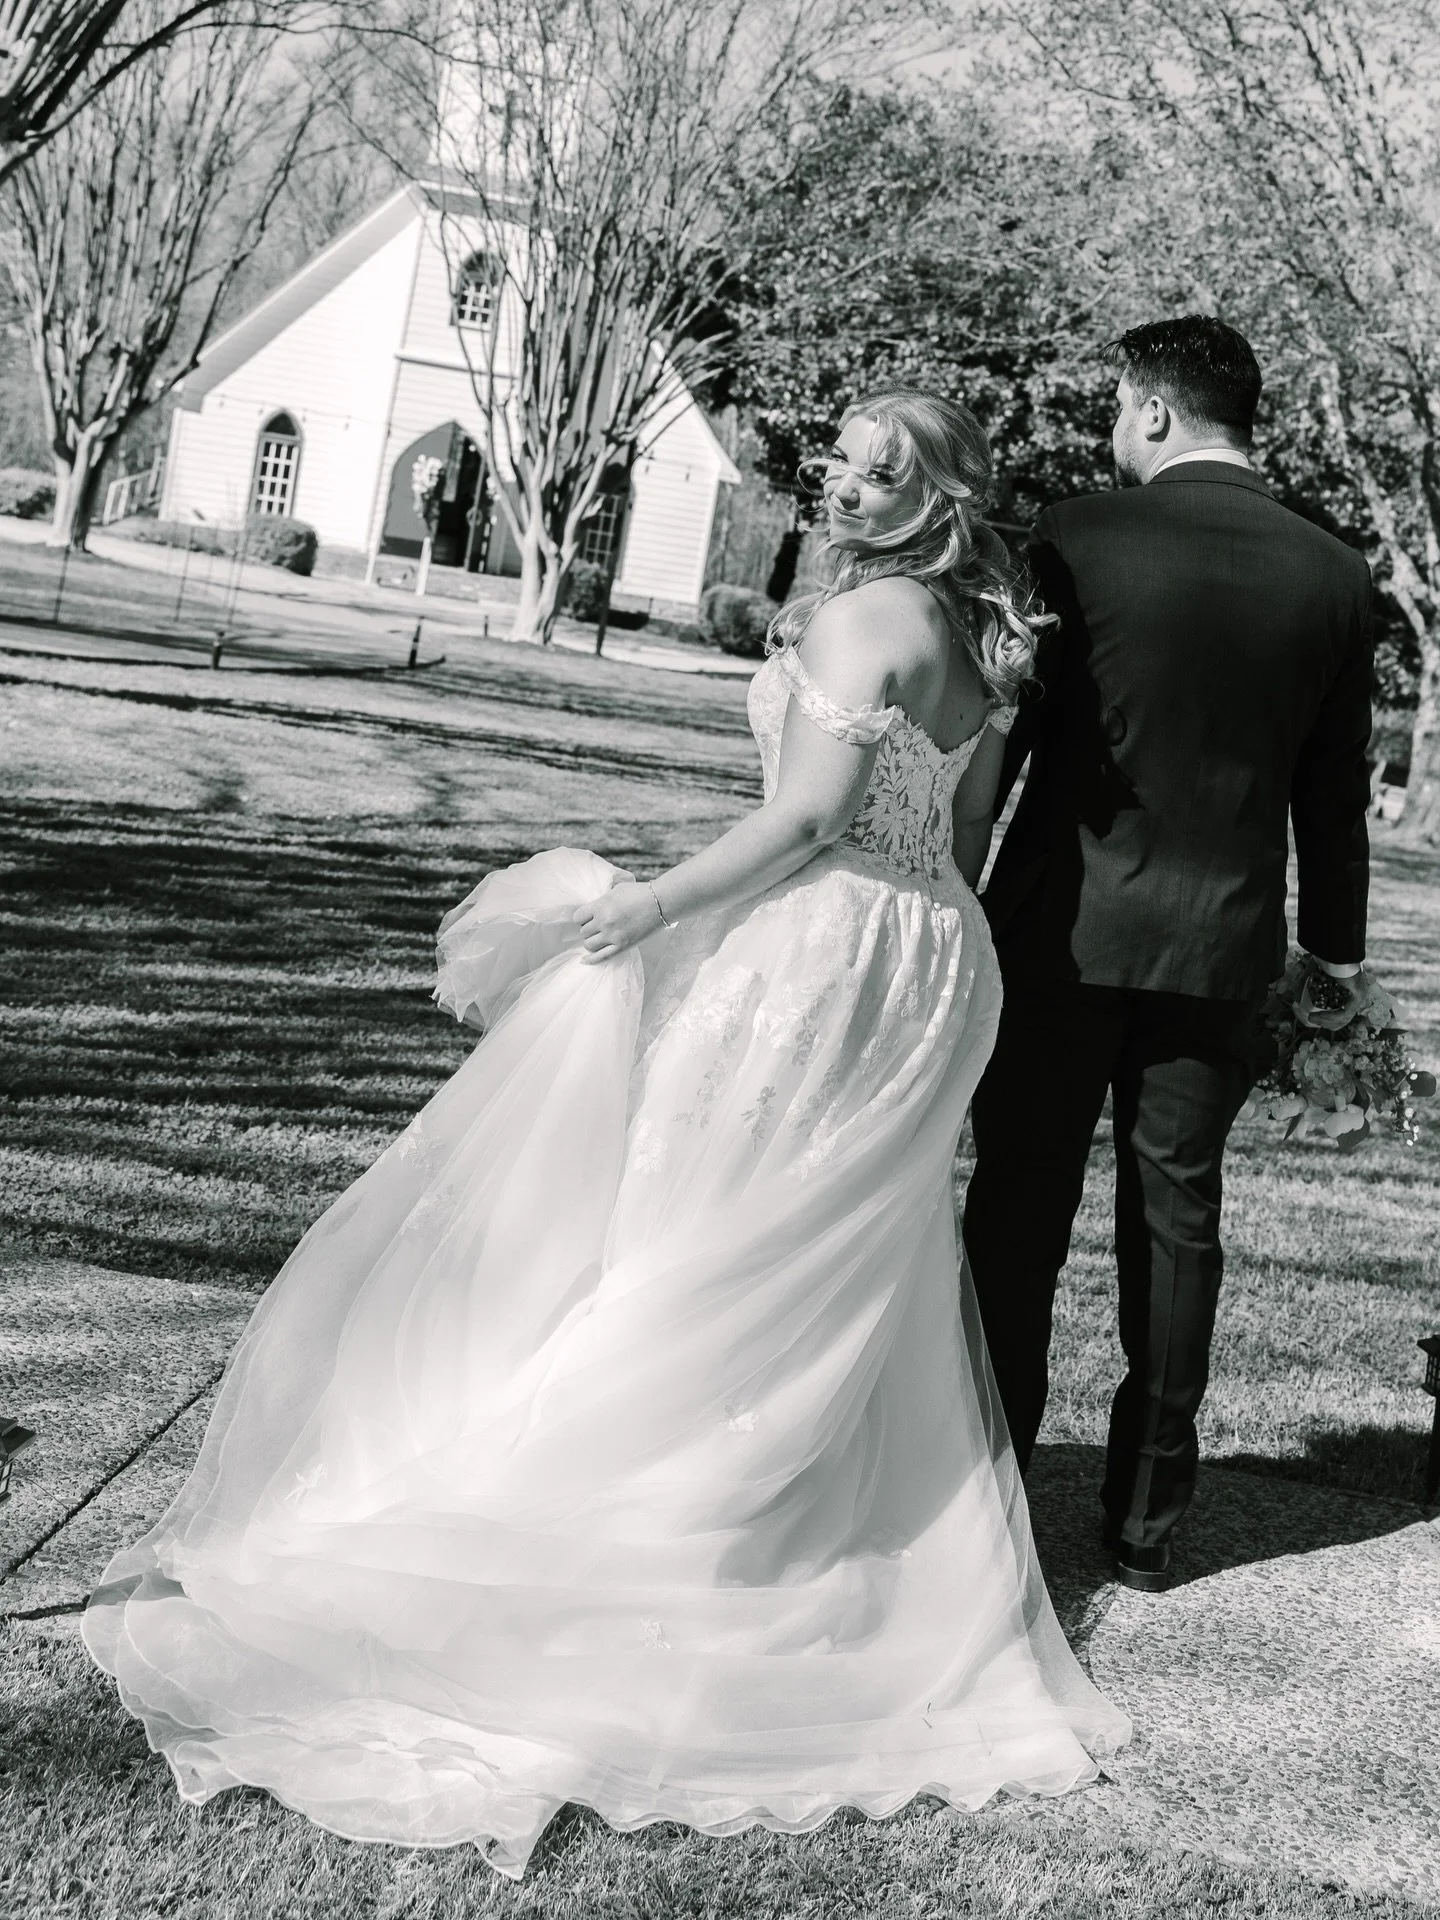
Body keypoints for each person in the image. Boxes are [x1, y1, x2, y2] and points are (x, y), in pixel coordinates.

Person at [83, 390, 1128, 1876]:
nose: (841, 476)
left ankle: (644, 1519)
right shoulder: (984, 644)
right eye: (842, 453)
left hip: (824, 957)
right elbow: (950, 849)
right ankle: (797, 1521)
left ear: (933, 496)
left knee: (698, 1229)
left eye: (874, 466)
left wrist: (645, 906)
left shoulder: (863, 625)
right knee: (837, 1263)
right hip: (940, 961)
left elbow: (806, 824)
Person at [963, 316, 1373, 1593]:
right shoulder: (1337, 575)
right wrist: (1334, 959)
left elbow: (1010, 739)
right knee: (1179, 1217)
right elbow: (1335, 793)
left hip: (1058, 932)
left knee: (1019, 1204)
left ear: (1150, 409)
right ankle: (1146, 1519)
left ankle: (988, 1484)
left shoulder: (1078, 536)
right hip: (1226, 946)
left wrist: (954, 889)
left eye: (1112, 408)